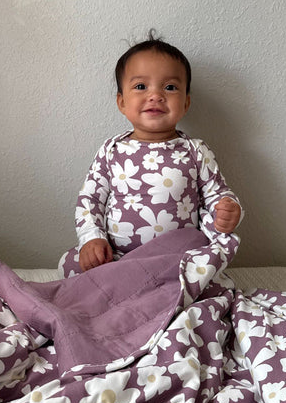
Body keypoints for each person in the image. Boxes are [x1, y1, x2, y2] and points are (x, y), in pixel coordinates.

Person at [60, 33, 243, 277]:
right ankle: (138, 288)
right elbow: (90, 200)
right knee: (69, 263)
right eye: (140, 87)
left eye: (170, 87)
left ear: (185, 103)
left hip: (177, 260)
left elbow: (217, 193)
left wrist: (229, 209)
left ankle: (151, 291)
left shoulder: (195, 151)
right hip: (119, 257)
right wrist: (92, 239)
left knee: (203, 267)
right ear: (122, 102)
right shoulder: (111, 150)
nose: (155, 95)